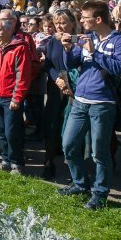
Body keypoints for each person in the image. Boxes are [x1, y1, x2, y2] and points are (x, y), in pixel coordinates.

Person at [59, 0, 121, 210]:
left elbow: (118, 68)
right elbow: (71, 64)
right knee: (69, 145)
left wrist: (94, 52)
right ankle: (80, 183)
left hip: (103, 103)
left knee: (99, 152)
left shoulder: (120, 41)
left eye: (85, 18)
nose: (81, 21)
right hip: (80, 100)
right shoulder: (87, 37)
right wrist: (67, 49)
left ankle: (100, 193)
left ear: (98, 19)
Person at [40, 10, 82, 179]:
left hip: (76, 89)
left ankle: (75, 169)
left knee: (72, 129)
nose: (59, 26)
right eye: (57, 23)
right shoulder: (52, 41)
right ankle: (48, 163)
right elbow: (48, 64)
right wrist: (57, 78)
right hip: (56, 88)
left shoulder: (79, 40)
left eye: (63, 23)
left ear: (73, 23)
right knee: (52, 125)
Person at [0, 18, 33, 173]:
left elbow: (23, 75)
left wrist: (17, 98)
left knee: (12, 132)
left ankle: (17, 163)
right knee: (1, 131)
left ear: (9, 30)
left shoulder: (19, 48)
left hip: (11, 97)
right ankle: (5, 160)